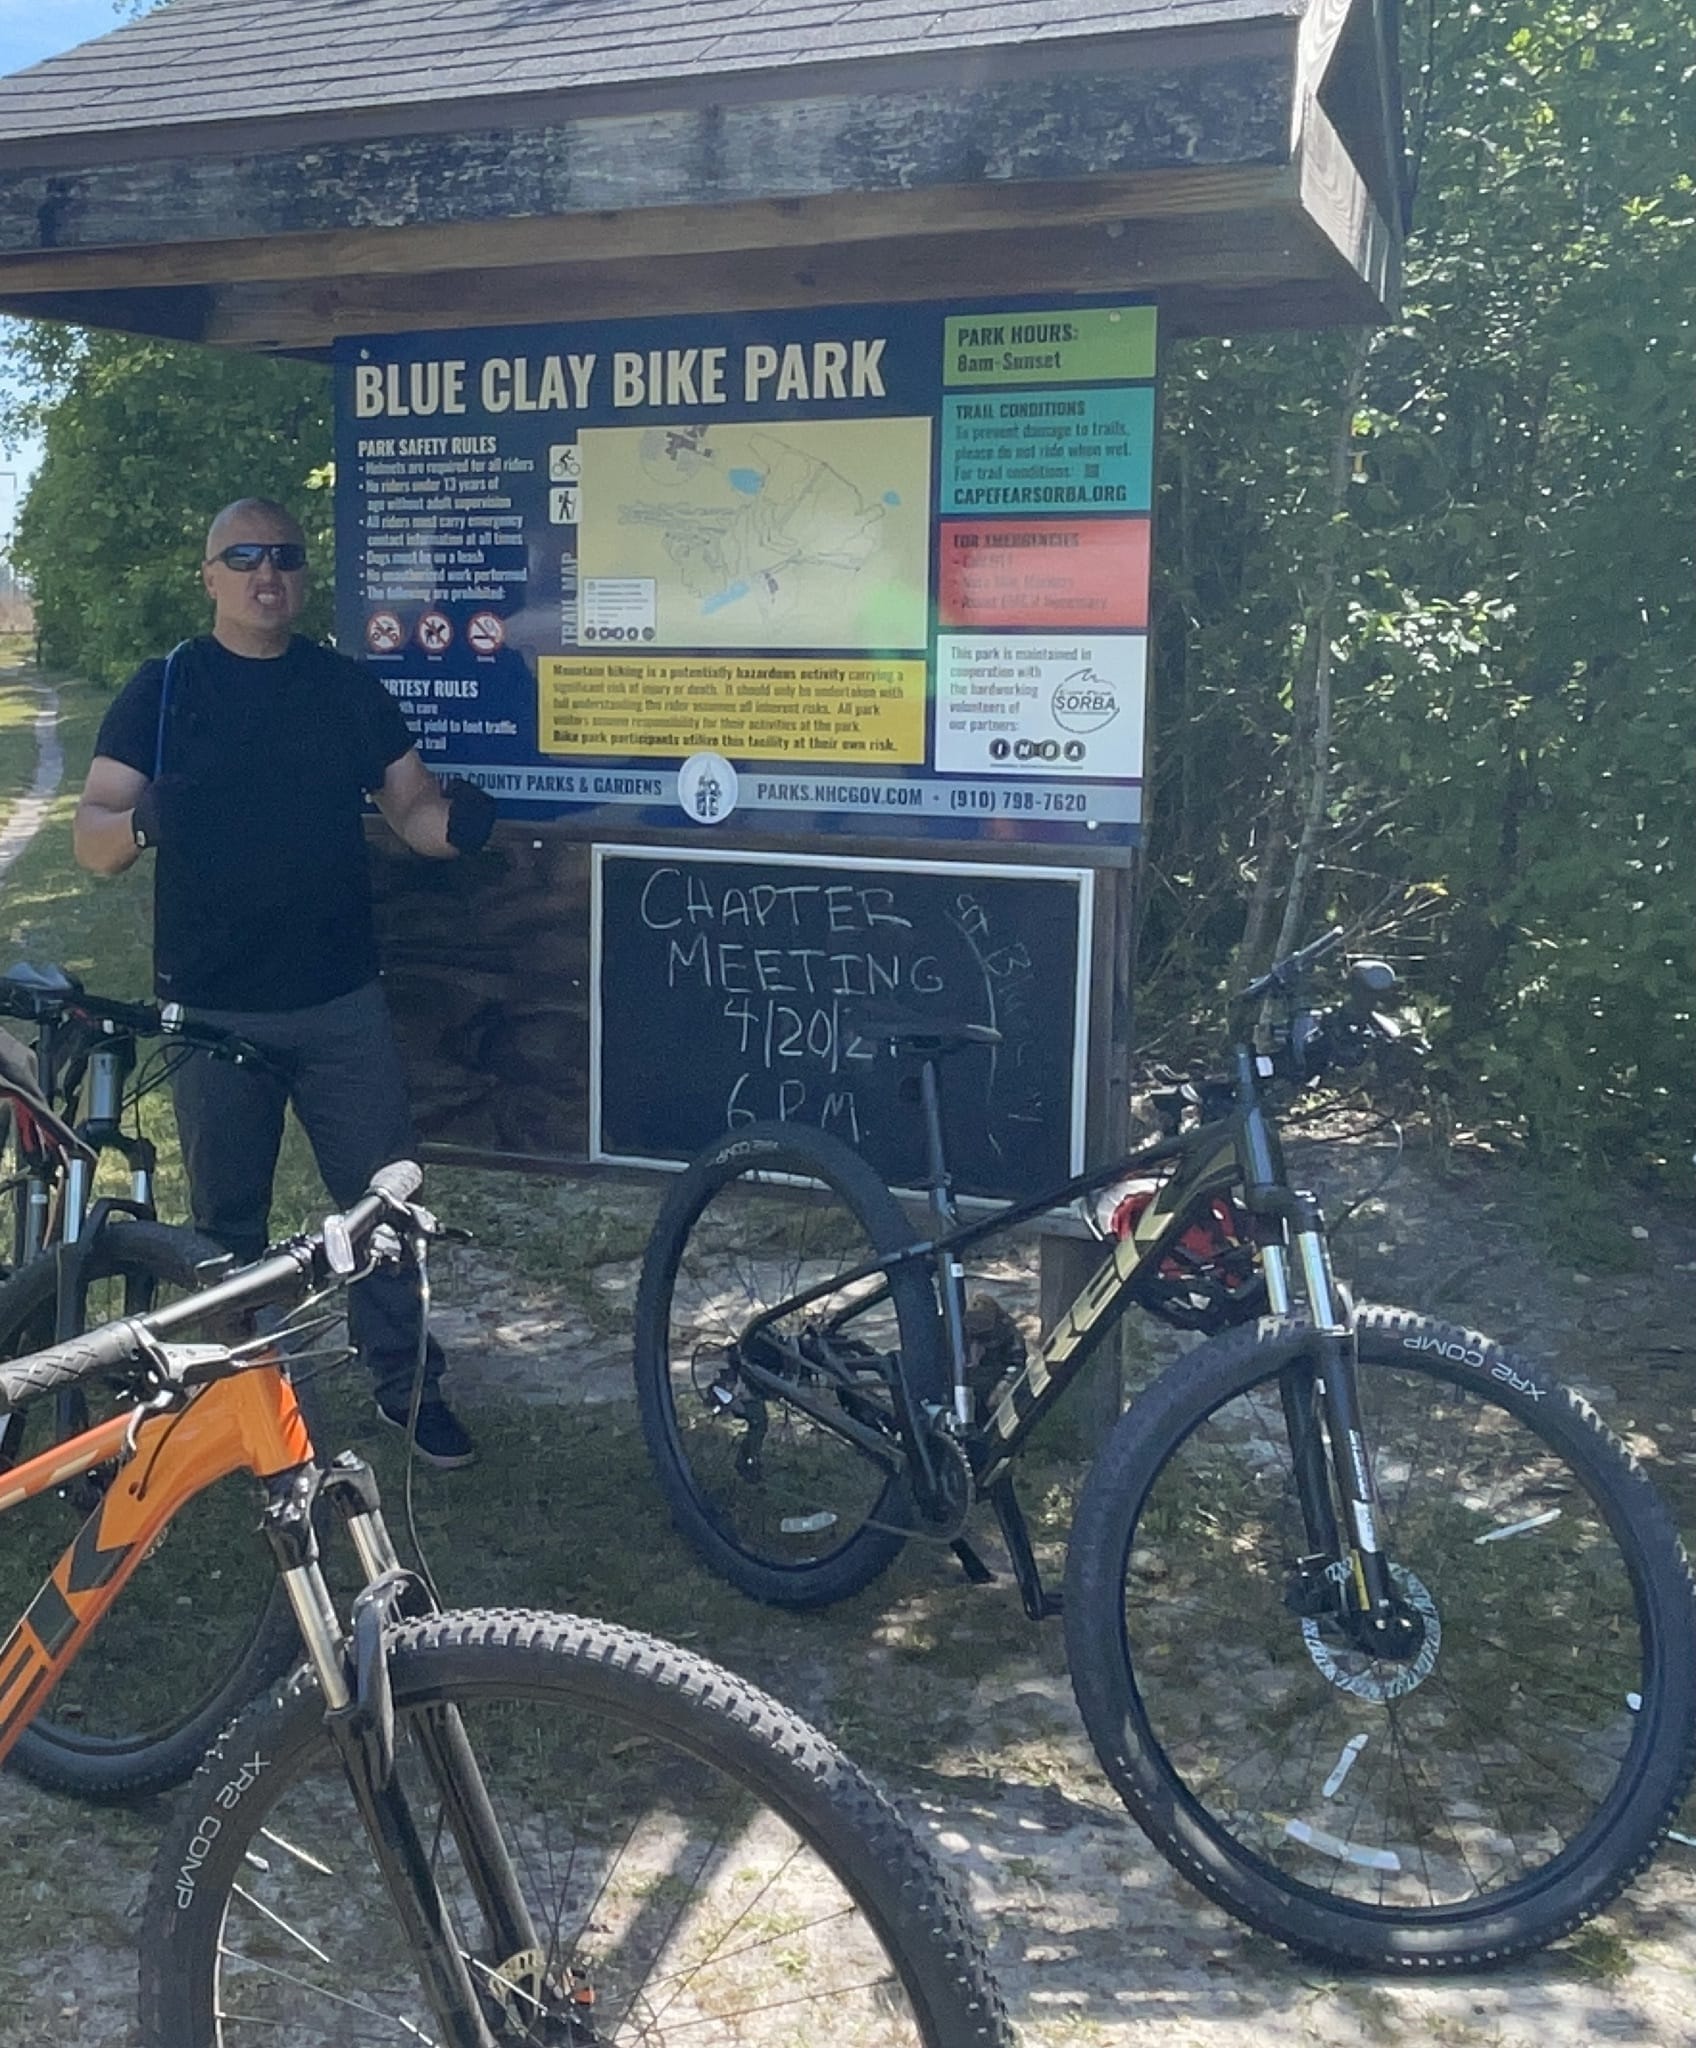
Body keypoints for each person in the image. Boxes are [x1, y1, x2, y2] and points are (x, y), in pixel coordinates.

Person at [72, 498, 496, 1467]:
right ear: (211, 574)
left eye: (285, 558)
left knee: (383, 1205)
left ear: (304, 577)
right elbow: (92, 837)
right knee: (227, 1228)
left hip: (337, 997)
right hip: (215, 1005)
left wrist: (456, 827)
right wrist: (143, 822)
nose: (268, 574)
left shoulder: (344, 689)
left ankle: (406, 1381)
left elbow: (413, 806)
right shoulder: (166, 689)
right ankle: (249, 1406)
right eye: (245, 556)